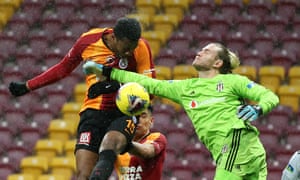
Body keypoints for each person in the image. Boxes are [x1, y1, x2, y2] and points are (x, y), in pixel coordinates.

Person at [84, 42, 280, 180]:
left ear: (218, 63)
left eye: (207, 50)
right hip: (238, 152)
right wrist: (108, 71)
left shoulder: (233, 81)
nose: (200, 52)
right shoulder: (185, 88)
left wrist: (259, 108)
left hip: (236, 142)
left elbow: (270, 97)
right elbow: (148, 83)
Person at [8, 17, 156, 180]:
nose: (129, 52)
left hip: (124, 112)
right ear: (113, 37)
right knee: (83, 174)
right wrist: (28, 86)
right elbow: (63, 69)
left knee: (110, 145)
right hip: (92, 112)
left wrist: (114, 85)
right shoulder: (88, 41)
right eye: (126, 48)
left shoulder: (141, 46)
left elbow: (151, 89)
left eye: (132, 48)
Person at [114, 104, 167, 179]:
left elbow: (147, 151)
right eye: (133, 116)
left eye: (143, 116)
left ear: (151, 121)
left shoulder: (157, 137)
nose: (137, 121)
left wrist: (125, 144)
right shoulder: (116, 141)